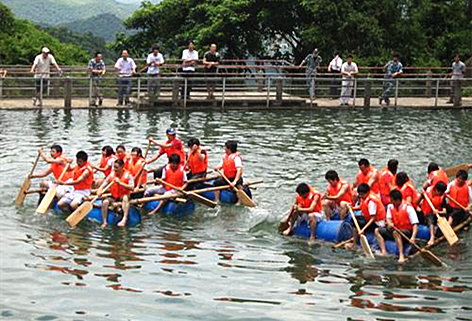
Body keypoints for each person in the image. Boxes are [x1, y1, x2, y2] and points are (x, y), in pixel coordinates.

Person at [374, 190, 418, 263]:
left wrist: (413, 237)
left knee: (396, 233)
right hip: (395, 229)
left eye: (392, 201)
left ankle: (401, 255)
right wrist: (390, 223)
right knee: (377, 230)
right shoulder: (390, 206)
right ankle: (383, 251)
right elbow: (388, 218)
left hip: (406, 232)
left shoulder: (409, 208)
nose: (391, 202)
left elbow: (415, 225)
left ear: (397, 200)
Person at [346, 183, 386, 249]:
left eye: (362, 194)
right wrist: (352, 208)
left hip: (377, 223)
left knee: (356, 223)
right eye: (360, 194)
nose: (361, 196)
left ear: (367, 192)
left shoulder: (371, 202)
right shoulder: (366, 197)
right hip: (370, 219)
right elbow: (362, 206)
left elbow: (373, 218)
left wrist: (363, 229)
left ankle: (355, 243)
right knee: (354, 219)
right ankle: (355, 240)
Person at [99, 159, 134, 228]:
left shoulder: (128, 175)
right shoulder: (111, 175)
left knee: (125, 198)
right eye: (114, 167)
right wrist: (99, 190)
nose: (115, 169)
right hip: (114, 196)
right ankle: (105, 221)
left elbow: (132, 187)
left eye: (117, 167)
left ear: (122, 167)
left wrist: (120, 183)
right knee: (105, 202)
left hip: (123, 196)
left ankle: (124, 219)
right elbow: (103, 185)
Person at [420, 181, 447, 246]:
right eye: (441, 192)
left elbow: (444, 211)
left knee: (443, 216)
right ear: (436, 190)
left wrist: (438, 212)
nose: (442, 194)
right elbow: (417, 202)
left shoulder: (442, 198)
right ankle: (432, 237)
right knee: (430, 216)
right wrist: (422, 195)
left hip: (437, 215)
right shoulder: (427, 193)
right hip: (426, 215)